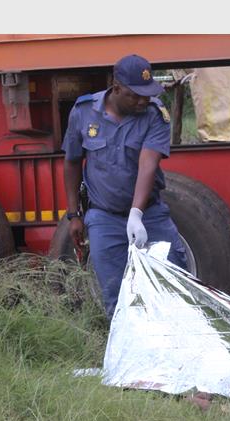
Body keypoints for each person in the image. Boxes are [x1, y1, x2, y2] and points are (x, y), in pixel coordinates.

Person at [62, 54, 188, 319]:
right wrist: (74, 214)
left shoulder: (154, 114)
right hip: (104, 218)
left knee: (176, 286)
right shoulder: (83, 112)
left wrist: (137, 214)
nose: (144, 100)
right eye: (136, 95)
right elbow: (72, 162)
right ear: (116, 88)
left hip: (150, 216)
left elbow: (148, 164)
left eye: (147, 94)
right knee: (116, 299)